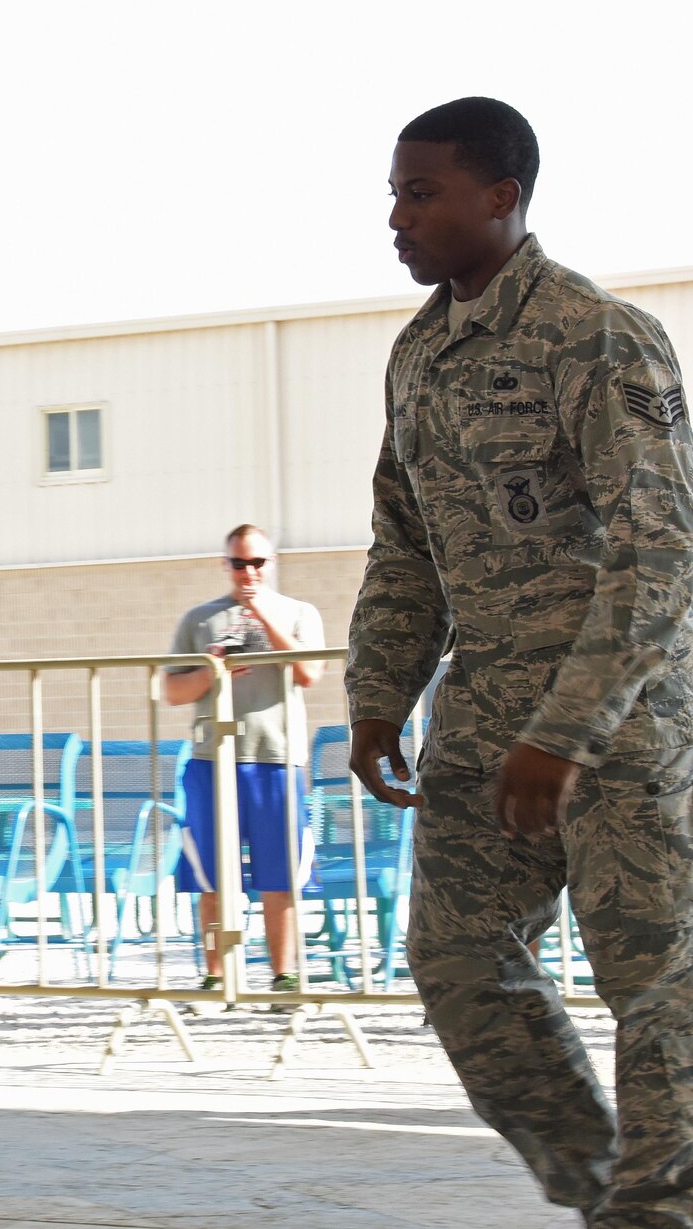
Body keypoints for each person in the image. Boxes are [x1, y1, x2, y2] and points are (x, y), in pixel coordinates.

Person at [349, 96, 693, 1227]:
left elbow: (657, 554)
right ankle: (605, 1187)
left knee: (654, 982)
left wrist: (567, 729)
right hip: (484, 717)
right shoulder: (419, 355)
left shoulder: (596, 334)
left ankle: (657, 1206)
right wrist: (375, 699)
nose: (393, 216)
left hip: (618, 722)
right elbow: (403, 550)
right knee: (455, 961)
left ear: (499, 198)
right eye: (393, 191)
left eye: (418, 191)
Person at [163, 524, 324, 1008]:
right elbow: (173, 692)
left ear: (270, 563)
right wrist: (214, 668)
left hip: (276, 757)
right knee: (212, 875)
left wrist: (260, 613)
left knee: (279, 874)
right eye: (239, 563)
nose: (248, 572)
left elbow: (309, 672)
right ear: (226, 564)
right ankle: (216, 979)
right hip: (213, 758)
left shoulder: (298, 613)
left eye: (257, 563)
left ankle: (283, 977)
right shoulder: (200, 619)